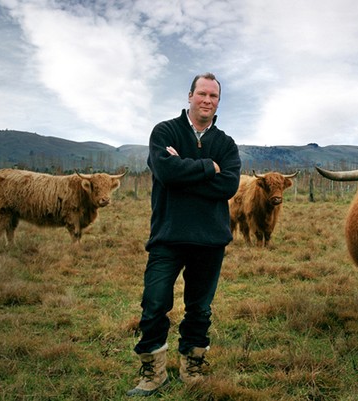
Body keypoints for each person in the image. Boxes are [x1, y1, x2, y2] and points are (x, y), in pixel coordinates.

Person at [127, 72, 241, 397]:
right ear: (189, 96)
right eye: (202, 94)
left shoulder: (226, 144)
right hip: (167, 237)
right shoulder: (165, 132)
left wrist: (185, 171)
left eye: (213, 96)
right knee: (154, 303)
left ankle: (193, 366)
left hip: (209, 241)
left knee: (200, 309)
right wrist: (209, 168)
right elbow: (165, 171)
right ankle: (153, 372)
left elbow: (229, 185)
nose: (207, 100)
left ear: (218, 102)